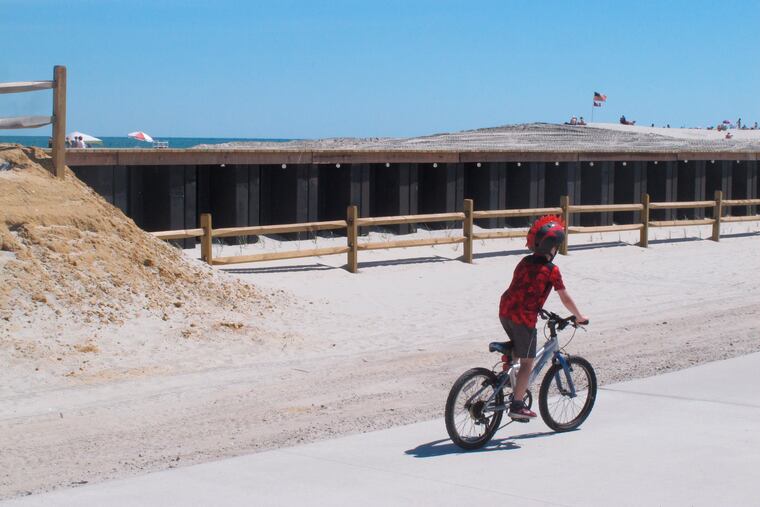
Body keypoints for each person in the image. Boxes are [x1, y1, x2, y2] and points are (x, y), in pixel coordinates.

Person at [498, 215, 588, 421]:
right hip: (524, 318)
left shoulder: (524, 262)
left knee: (518, 350)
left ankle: (507, 373)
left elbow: (523, 288)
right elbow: (565, 298)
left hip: (505, 311)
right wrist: (579, 316)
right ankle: (517, 405)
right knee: (528, 363)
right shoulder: (551, 270)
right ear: (552, 247)